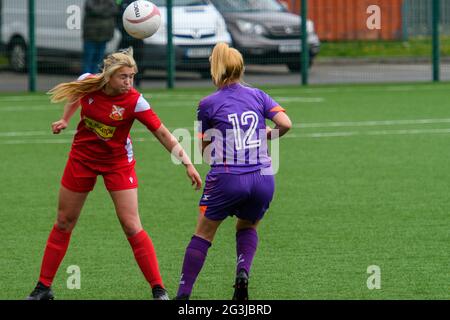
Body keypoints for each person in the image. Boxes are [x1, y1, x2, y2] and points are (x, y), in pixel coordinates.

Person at [26, 48, 202, 300]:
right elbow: (75, 95)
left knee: (131, 225)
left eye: (131, 76)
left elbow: (162, 132)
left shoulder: (134, 100)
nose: (128, 82)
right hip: (82, 159)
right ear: (108, 76)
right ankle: (43, 288)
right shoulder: (88, 83)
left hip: (118, 163)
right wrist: (65, 119)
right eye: (123, 77)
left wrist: (187, 162)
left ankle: (158, 290)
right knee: (64, 221)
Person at [174, 43, 292, 300]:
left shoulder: (207, 104)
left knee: (203, 234)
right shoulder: (259, 95)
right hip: (263, 177)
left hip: (228, 177)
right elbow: (285, 123)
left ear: (216, 69)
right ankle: (242, 272)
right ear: (241, 68)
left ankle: (183, 295)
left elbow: (205, 151)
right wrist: (267, 135)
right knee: (247, 226)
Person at [82, 0, 119, 74]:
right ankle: (85, 80)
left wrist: (102, 10)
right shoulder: (90, 2)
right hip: (90, 36)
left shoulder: (111, 1)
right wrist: (106, 10)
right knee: (88, 60)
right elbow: (93, 10)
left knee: (98, 61)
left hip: (104, 36)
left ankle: (94, 80)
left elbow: (115, 10)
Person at [116, 0, 145, 88]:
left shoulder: (140, 3)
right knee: (120, 60)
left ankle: (138, 81)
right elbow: (117, 18)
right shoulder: (121, 3)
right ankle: (121, 81)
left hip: (138, 37)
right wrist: (123, 31)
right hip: (125, 37)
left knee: (138, 60)